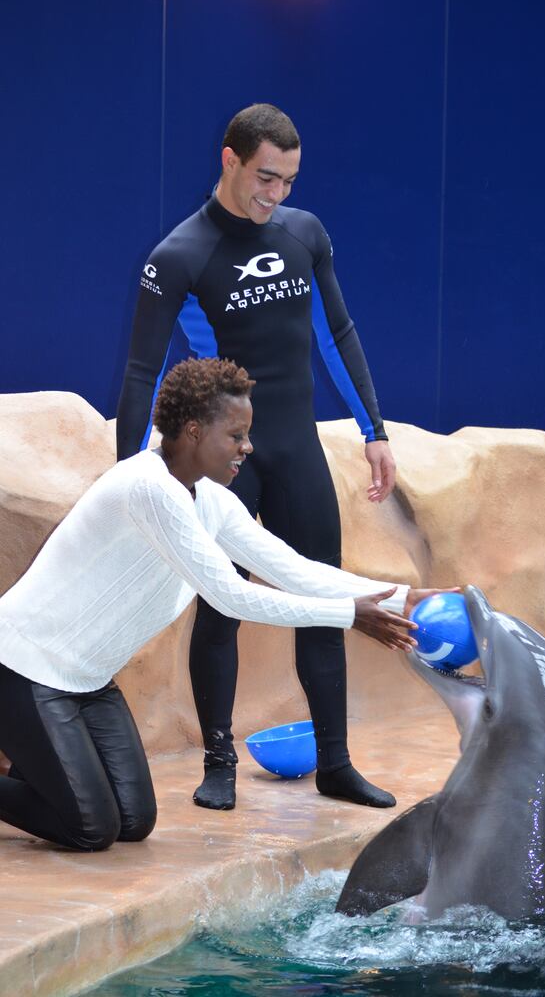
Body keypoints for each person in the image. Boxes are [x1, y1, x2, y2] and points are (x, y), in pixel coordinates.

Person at [0, 357, 443, 852]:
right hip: (26, 669)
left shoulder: (210, 500)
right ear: (194, 431)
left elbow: (292, 569)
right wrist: (349, 616)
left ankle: (35, 764)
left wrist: (403, 597)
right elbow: (230, 595)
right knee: (91, 829)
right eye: (236, 435)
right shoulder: (148, 487)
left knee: (133, 821)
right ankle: (32, 756)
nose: (248, 447)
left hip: (89, 681)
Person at [116, 103, 400, 812]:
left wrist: (374, 430)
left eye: (289, 181)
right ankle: (219, 765)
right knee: (221, 610)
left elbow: (337, 333)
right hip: (225, 467)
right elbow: (142, 373)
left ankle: (335, 763)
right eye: (266, 178)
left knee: (325, 601)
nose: (277, 194)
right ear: (230, 160)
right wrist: (127, 474)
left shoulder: (305, 234)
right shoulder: (179, 255)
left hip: (297, 449)